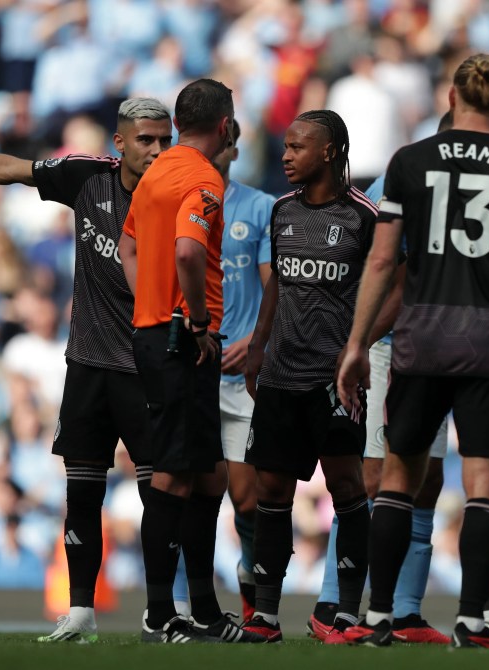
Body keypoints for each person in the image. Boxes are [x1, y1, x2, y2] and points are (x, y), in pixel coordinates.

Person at [0, 97, 174, 643]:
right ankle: (81, 612)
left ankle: (159, 613)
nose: (158, 150)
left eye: (165, 139)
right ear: (120, 142)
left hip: (147, 366)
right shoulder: (88, 178)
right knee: (82, 491)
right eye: (146, 139)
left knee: (159, 495)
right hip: (89, 364)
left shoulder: (183, 196)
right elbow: (10, 170)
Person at [337, 53, 489, 649]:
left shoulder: (409, 161)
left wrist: (358, 343)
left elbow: (384, 261)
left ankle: (379, 614)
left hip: (420, 337)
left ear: (452, 96)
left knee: (398, 477)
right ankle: (470, 617)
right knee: (484, 484)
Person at [117, 79, 264, 645]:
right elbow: (187, 250)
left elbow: (129, 246)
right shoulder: (203, 178)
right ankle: (160, 614)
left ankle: (203, 611)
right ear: (225, 126)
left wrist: (148, 303)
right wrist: (196, 319)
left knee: (209, 476)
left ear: (178, 124)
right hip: (184, 341)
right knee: (175, 477)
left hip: (160, 333)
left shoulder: (156, 171)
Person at [307, 111, 455, 647]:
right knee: (372, 477)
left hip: (438, 348)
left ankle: (406, 611)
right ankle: (335, 602)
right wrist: (361, 340)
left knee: (426, 478)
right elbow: (381, 274)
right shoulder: (397, 184)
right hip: (388, 345)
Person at [239, 109, 376, 644]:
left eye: (298, 147)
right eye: (286, 146)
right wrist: (257, 345)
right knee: (270, 489)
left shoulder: (364, 215)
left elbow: (392, 288)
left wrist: (357, 347)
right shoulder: (281, 210)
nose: (286, 155)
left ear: (329, 151)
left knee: (346, 485)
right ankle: (267, 617)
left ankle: (344, 612)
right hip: (280, 375)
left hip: (333, 381)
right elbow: (276, 285)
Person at [170, 120, 275, 621]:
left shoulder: (260, 208)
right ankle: (187, 600)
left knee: (248, 499)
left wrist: (256, 340)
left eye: (229, 143)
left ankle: (251, 585)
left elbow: (274, 284)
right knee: (192, 488)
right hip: (196, 367)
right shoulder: (177, 201)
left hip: (243, 375)